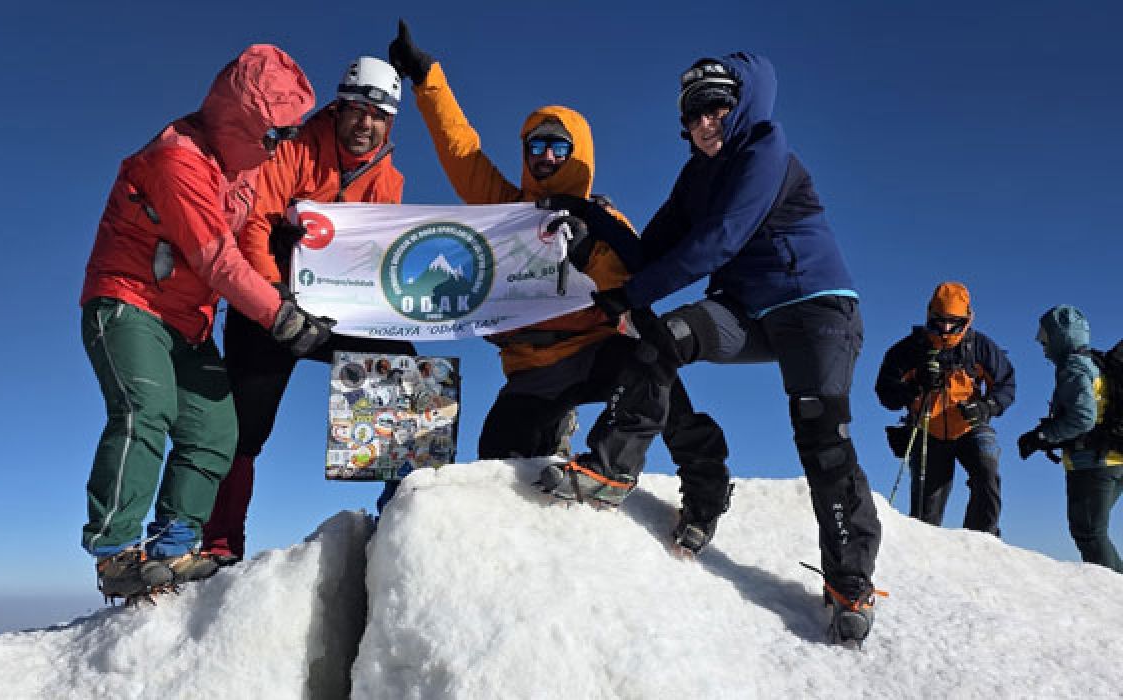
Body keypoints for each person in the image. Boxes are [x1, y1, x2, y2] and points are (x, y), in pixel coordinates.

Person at [554, 53, 883, 645]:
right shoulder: (694, 178)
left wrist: (629, 296)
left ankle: (849, 584)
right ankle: (611, 470)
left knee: (820, 435)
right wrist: (594, 219)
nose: (706, 121)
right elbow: (652, 250)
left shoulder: (766, 153)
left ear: (742, 108)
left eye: (718, 107)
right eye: (695, 112)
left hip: (817, 308)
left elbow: (719, 239)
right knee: (662, 340)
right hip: (747, 311)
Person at [386, 20, 728, 493]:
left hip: (599, 350)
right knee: (497, 465)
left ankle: (705, 480)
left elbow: (634, 279)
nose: (546, 155)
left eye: (558, 146)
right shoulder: (507, 211)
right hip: (533, 367)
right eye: (536, 146)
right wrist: (429, 81)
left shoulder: (606, 218)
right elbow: (462, 152)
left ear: (577, 151)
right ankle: (552, 434)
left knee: (657, 378)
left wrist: (589, 250)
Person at [79, 45, 333, 600]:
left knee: (218, 431)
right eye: (273, 135)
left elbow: (246, 242)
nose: (278, 148)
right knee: (146, 411)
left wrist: (288, 277)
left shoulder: (243, 167)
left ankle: (174, 546)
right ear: (241, 120)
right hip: (129, 304)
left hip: (188, 323)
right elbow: (216, 258)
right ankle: (115, 550)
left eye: (286, 137)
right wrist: (281, 319)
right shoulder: (179, 159)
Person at [202, 57, 415, 565]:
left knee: (399, 367)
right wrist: (275, 296)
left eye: (379, 114)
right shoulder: (292, 149)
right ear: (339, 108)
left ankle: (396, 511)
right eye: (358, 110)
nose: (366, 123)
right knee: (244, 428)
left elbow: (375, 257)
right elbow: (253, 223)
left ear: (390, 123)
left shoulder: (390, 181)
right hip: (267, 306)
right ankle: (219, 545)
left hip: (336, 312)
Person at [875, 282, 1015, 535]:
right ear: (930, 315)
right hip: (928, 429)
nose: (946, 327)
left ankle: (981, 540)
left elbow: (1006, 385)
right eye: (940, 320)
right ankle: (924, 554)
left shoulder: (981, 347)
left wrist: (985, 408)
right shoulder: (908, 350)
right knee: (926, 509)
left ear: (966, 318)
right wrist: (914, 388)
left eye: (954, 321)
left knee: (987, 473)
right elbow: (885, 392)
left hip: (970, 425)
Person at [1018, 305, 1123, 573]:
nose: (1041, 344)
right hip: (1112, 459)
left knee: (1089, 533)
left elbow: (1083, 418)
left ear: (1060, 337)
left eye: (1045, 337)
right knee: (1092, 531)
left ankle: (1114, 599)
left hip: (1093, 463)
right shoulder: (1094, 361)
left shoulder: (1074, 367)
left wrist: (1042, 436)